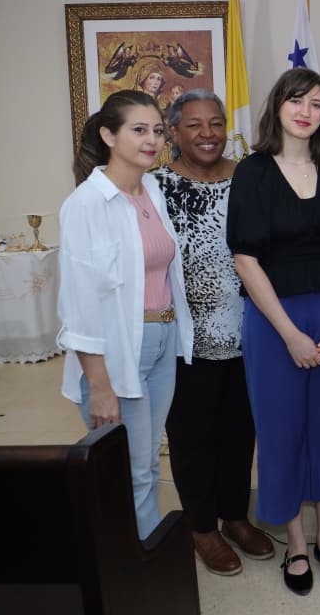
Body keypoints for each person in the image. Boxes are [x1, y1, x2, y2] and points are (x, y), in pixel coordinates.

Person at [227, 68, 320, 595]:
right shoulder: (252, 173)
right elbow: (245, 259)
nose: (306, 111)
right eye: (296, 100)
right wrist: (289, 333)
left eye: (316, 103)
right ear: (277, 107)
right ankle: (295, 542)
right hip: (274, 321)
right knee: (282, 428)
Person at [58, 90, 194, 539]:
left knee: (147, 463)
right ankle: (133, 564)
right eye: (138, 130)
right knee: (126, 470)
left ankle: (143, 554)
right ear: (108, 136)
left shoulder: (151, 190)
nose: (152, 140)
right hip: (118, 352)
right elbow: (79, 307)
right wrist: (99, 386)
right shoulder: (87, 204)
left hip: (162, 341)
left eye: (157, 130)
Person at [155, 89, 273, 576]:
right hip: (187, 340)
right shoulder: (155, 187)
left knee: (240, 430)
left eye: (216, 123)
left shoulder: (249, 178)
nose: (208, 134)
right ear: (174, 132)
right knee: (192, 434)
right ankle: (202, 526)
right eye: (194, 125)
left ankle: (235, 517)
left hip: (250, 332)